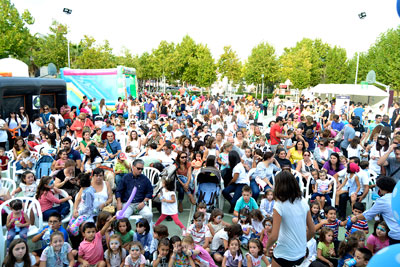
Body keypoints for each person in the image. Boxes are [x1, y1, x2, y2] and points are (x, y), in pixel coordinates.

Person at [265, 170, 315, 266]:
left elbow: (274, 235)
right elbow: (312, 230)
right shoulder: (303, 201)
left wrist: (266, 248)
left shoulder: (279, 205)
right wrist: (300, 244)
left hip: (284, 254)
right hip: (301, 253)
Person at [351, 176, 400, 244]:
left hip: (396, 235)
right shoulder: (397, 196)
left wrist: (356, 218)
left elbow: (368, 214)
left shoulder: (382, 201)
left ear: (381, 188)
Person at [116, 159, 153, 225]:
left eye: (142, 169)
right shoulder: (126, 177)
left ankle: (144, 232)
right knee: (122, 218)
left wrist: (144, 202)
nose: (140, 170)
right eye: (138, 168)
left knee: (149, 215)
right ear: (133, 167)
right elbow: (118, 191)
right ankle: (126, 233)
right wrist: (119, 202)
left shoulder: (145, 179)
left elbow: (150, 192)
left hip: (140, 203)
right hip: (128, 204)